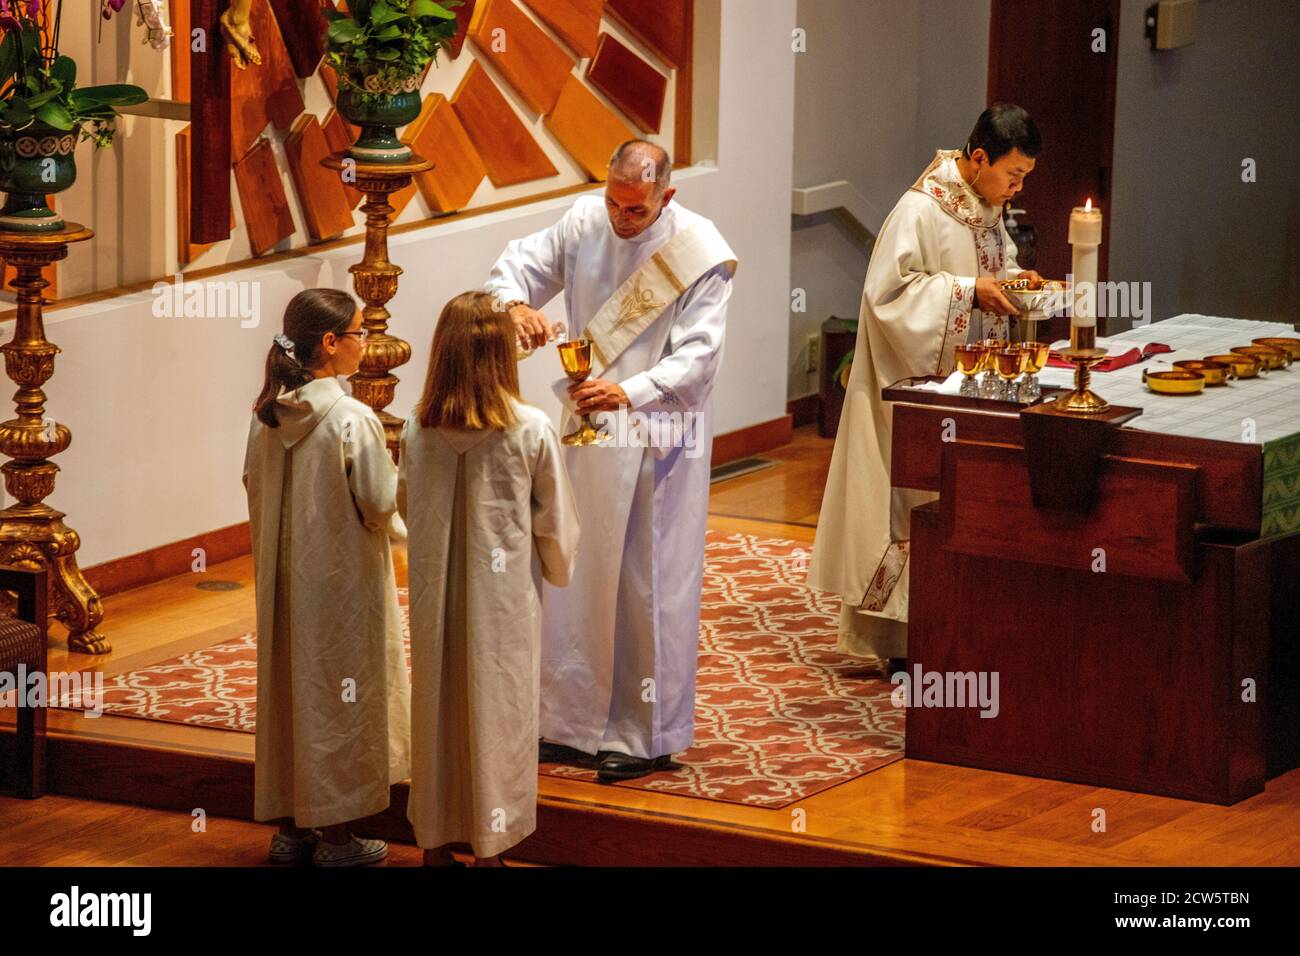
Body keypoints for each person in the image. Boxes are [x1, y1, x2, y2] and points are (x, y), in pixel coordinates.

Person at [484, 140, 738, 782]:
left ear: (666, 196)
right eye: (614, 202)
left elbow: (700, 354)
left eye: (635, 208)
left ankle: (644, 732)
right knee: (574, 570)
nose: (622, 218)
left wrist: (632, 391)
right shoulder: (583, 221)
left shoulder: (701, 252)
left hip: (657, 435)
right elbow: (516, 266)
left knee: (647, 582)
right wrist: (516, 305)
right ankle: (568, 723)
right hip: (586, 429)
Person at [807, 104, 1043, 670]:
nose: (1015, 188)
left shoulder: (986, 209)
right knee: (910, 501)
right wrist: (967, 293)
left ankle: (953, 623)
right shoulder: (920, 210)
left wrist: (1016, 282)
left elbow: (990, 272)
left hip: (974, 383)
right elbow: (886, 299)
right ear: (978, 156)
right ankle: (898, 642)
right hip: (912, 387)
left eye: (1025, 179)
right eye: (1012, 174)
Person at [401, 291, 579, 866]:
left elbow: (405, 506)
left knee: (436, 708)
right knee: (498, 711)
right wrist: (557, 566)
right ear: (502, 354)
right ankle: (491, 847)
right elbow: (553, 521)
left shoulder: (416, 429)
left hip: (434, 595)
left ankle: (432, 842)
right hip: (500, 604)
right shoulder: (528, 429)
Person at [243, 288, 410, 867]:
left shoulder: (267, 414)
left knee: (293, 694)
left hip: (284, 584)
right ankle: (339, 839)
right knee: (341, 700)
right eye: (359, 332)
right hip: (341, 586)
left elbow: (251, 487)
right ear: (330, 343)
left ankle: (292, 830)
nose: (366, 342)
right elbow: (380, 503)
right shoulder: (350, 417)